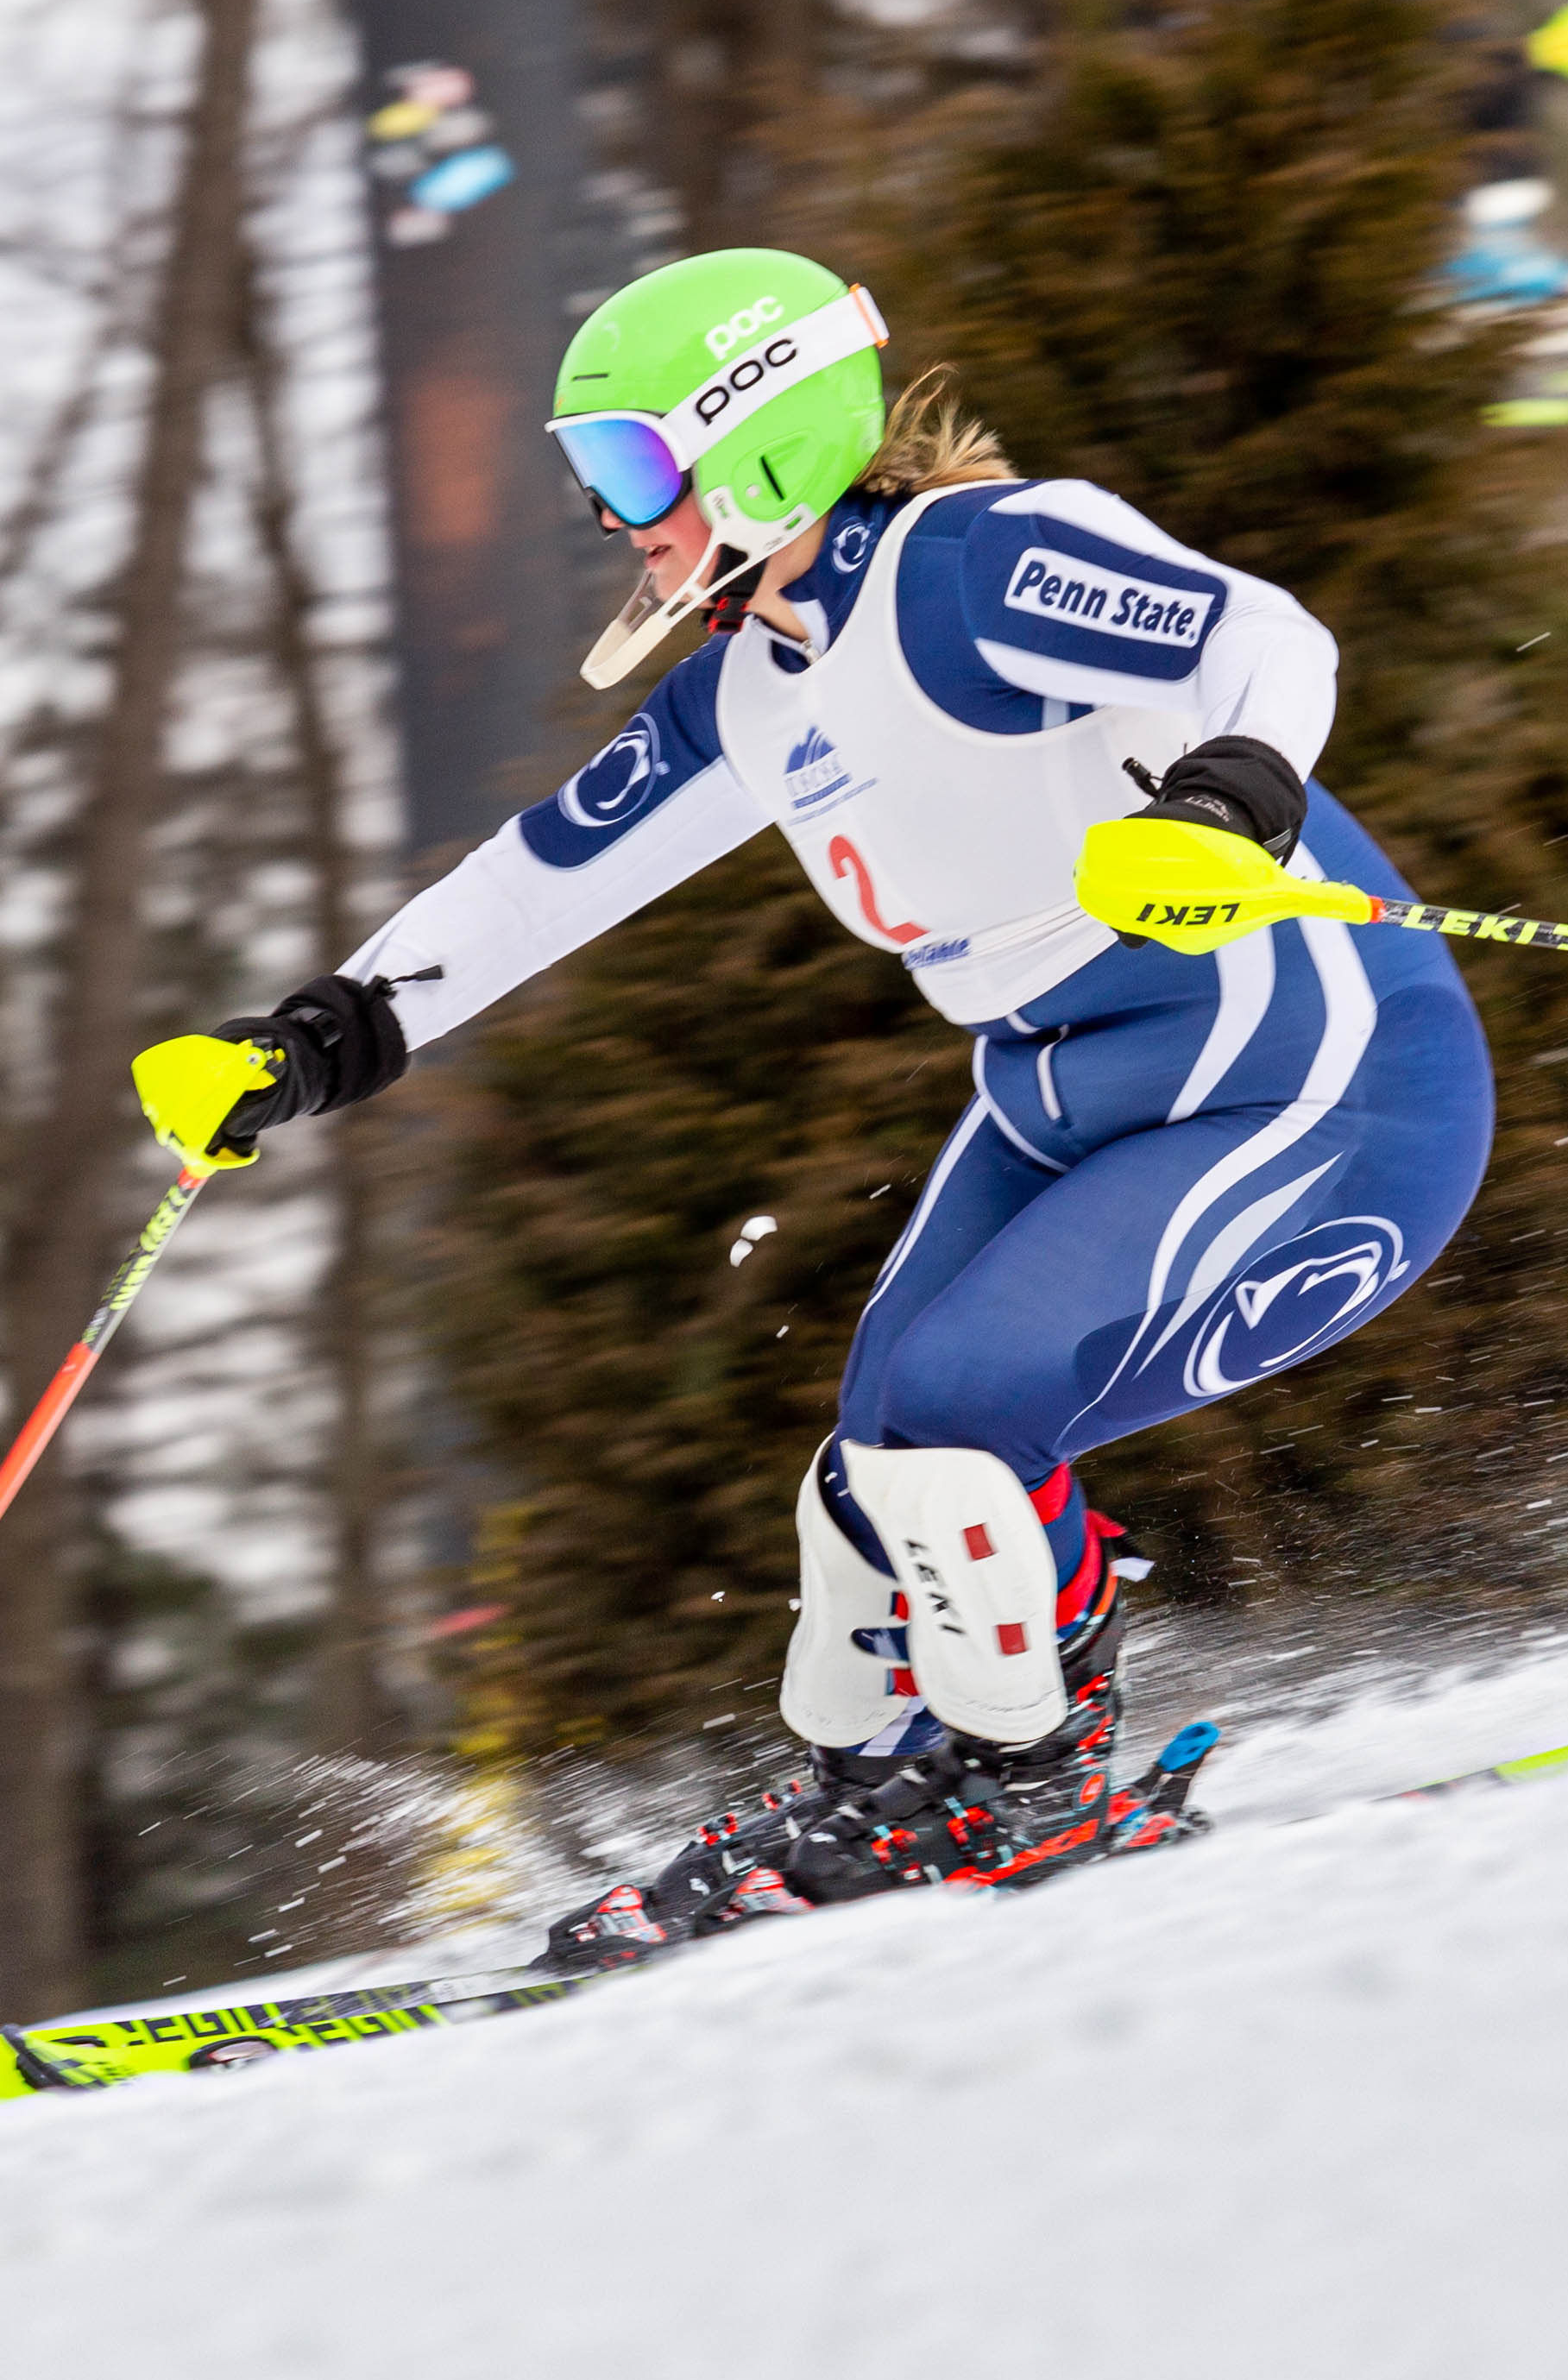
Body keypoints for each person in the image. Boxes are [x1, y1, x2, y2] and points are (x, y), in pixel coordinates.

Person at [130, 245, 1494, 1954]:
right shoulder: (755, 688)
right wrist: (317, 1039)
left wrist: (1228, 807)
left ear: (756, 440)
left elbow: (1259, 638)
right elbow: (541, 876)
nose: (616, 518)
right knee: (865, 1483)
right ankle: (889, 1785)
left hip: (1321, 1093)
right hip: (1064, 1099)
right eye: (593, 479)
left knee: (956, 1420)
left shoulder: (965, 571)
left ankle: (1030, 1780)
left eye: (633, 468)